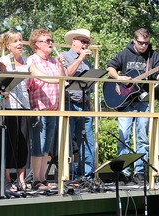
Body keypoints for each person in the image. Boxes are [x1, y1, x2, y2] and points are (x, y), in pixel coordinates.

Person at [106, 28, 159, 185]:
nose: (144, 46)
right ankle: (123, 172)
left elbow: (157, 78)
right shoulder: (125, 53)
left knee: (142, 139)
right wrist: (119, 77)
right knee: (123, 137)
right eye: (141, 43)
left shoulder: (153, 56)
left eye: (146, 43)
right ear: (134, 41)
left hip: (143, 101)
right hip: (125, 102)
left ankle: (139, 173)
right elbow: (110, 67)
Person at [27, 28, 66, 191]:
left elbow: (63, 80)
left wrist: (60, 65)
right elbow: (45, 78)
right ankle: (35, 179)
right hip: (39, 108)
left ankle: (42, 178)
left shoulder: (52, 61)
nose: (51, 43)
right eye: (47, 40)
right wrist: (57, 77)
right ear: (37, 44)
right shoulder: (32, 60)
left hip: (53, 108)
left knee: (47, 144)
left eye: (51, 40)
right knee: (39, 144)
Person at [0, 30, 31, 192]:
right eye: (15, 41)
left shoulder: (26, 61)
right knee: (10, 143)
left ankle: (21, 179)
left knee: (23, 144)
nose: (19, 44)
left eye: (21, 40)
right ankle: (7, 179)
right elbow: (0, 83)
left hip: (24, 105)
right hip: (9, 107)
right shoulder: (3, 61)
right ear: (8, 45)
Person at [62, 29, 96, 179]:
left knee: (87, 139)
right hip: (69, 103)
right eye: (82, 41)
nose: (84, 45)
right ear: (73, 41)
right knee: (68, 140)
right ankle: (68, 174)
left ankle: (87, 174)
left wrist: (90, 103)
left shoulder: (87, 62)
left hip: (84, 105)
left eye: (86, 42)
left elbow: (88, 86)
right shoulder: (64, 56)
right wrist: (80, 58)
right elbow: (66, 75)